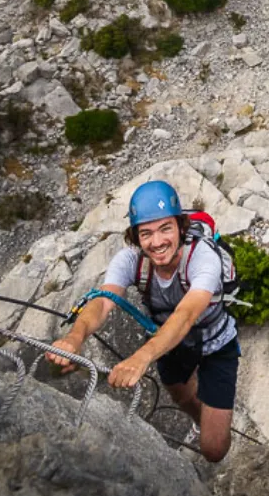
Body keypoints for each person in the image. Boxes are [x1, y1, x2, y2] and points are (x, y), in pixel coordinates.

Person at [47, 180, 240, 463]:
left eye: (165, 229)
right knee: (183, 399)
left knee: (213, 450)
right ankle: (206, 419)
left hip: (215, 344)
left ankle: (213, 427)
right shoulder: (130, 260)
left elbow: (186, 315)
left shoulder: (202, 258)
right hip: (170, 346)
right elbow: (102, 301)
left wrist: (141, 358)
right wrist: (74, 339)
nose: (157, 241)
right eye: (146, 233)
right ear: (136, 237)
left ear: (181, 227)